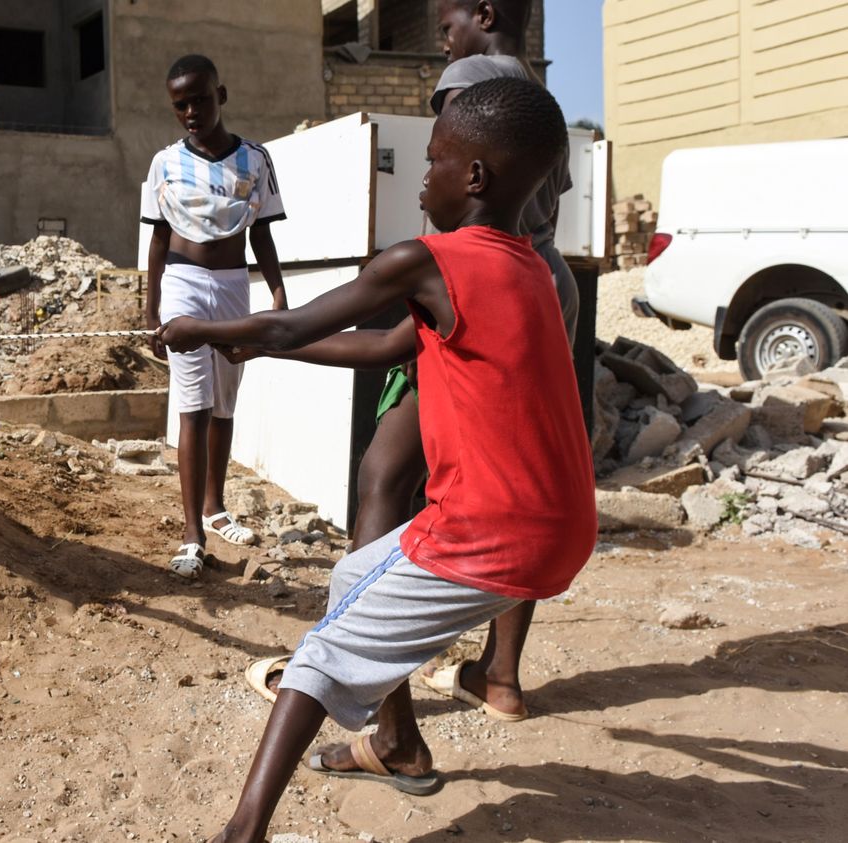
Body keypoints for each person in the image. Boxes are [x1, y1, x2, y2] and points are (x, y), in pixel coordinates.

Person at [157, 77, 598, 841]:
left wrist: (209, 329)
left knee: (318, 657)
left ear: (474, 178)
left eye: (433, 162)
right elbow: (385, 346)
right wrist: (245, 342)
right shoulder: (528, 268)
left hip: (485, 532)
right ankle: (395, 741)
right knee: (352, 575)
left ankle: (243, 830)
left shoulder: (423, 259)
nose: (421, 177)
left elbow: (295, 328)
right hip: (562, 531)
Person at [249, 0, 573, 726]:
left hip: (464, 289)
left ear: (482, 14)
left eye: (450, 17)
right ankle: (502, 678)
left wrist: (241, 332)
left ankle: (373, 690)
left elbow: (449, 201)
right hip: (539, 281)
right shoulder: (542, 104)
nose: (440, 34)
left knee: (385, 473)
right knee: (518, 475)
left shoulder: (470, 83)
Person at [141, 54, 288, 578]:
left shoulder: (254, 160)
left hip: (231, 287)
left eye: (199, 99)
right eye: (180, 104)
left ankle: (215, 506)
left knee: (224, 400)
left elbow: (262, 232)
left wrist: (277, 293)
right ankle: (191, 535)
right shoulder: (164, 163)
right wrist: (150, 305)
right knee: (193, 404)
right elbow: (158, 237)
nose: (190, 111)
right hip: (181, 283)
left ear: (220, 96)